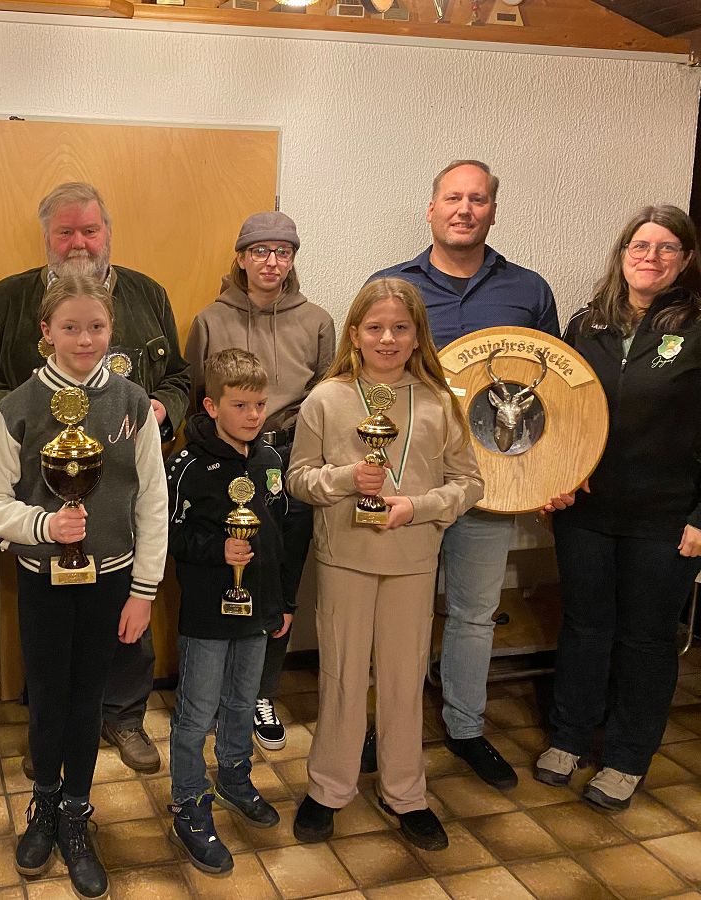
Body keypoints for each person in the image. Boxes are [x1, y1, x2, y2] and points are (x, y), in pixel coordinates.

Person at [0, 181, 188, 775]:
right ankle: (49, 758)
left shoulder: (147, 296)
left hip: (119, 537)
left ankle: (126, 719)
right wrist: (21, 427)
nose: (79, 242)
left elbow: (180, 381)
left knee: (119, 640)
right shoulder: (5, 303)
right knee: (51, 667)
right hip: (43, 534)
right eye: (66, 231)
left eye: (90, 229)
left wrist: (159, 410)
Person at [535, 205, 701, 810]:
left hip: (668, 518)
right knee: (584, 627)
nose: (650, 257)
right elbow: (557, 412)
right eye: (640, 245)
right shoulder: (587, 324)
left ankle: (629, 756)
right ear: (622, 253)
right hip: (588, 511)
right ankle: (571, 735)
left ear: (685, 259)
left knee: (647, 637)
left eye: (665, 248)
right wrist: (551, 479)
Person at [0, 273, 167, 899]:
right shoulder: (18, 406)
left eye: (97, 327)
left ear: (113, 331)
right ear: (45, 332)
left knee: (90, 703)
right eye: (71, 327)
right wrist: (42, 523)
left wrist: (144, 590)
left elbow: (153, 502)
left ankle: (78, 814)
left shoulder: (134, 403)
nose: (85, 339)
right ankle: (43, 806)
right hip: (44, 581)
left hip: (111, 585)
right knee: (48, 699)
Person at [367, 160, 558, 789]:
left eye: (478, 199)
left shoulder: (528, 290)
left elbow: (553, 394)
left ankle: (466, 728)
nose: (464, 209)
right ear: (430, 208)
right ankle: (383, 727)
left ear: (493, 212)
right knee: (398, 611)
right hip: (407, 487)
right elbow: (365, 380)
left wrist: (547, 475)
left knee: (476, 614)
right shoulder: (391, 284)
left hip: (492, 488)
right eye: (453, 197)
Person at [288, 278, 483, 851]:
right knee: (343, 675)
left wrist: (416, 507)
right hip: (345, 556)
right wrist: (347, 478)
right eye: (375, 328)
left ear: (418, 334)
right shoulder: (326, 399)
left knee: (402, 680)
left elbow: (468, 482)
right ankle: (328, 788)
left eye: (401, 327)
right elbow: (299, 479)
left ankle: (407, 794)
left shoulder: (440, 402)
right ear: (355, 334)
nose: (388, 338)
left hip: (412, 557)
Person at [185, 212, 333, 751]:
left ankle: (260, 691)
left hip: (291, 456)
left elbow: (325, 396)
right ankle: (214, 691)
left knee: (279, 579)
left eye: (283, 252)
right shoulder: (209, 319)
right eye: (261, 251)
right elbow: (198, 394)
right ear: (242, 257)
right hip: (228, 459)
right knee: (225, 566)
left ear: (293, 259)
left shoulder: (316, 321)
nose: (272, 262)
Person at [165, 349, 287, 874]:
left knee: (242, 702)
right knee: (197, 713)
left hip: (258, 610)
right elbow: (169, 535)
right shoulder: (187, 464)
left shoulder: (270, 459)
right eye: (241, 405)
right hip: (208, 616)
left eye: (261, 403)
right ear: (212, 406)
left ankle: (235, 776)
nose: (254, 415)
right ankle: (189, 803)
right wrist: (217, 551)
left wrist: (281, 600)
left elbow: (279, 536)